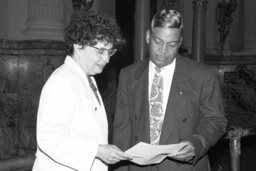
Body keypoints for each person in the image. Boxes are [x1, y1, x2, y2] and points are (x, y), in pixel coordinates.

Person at [112, 9, 227, 171]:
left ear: (179, 43)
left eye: (171, 44)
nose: (163, 50)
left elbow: (216, 120)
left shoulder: (203, 75)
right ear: (147, 37)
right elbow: (122, 130)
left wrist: (197, 143)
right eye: (158, 41)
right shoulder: (128, 75)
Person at [32, 9, 132, 171]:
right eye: (100, 51)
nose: (106, 59)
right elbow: (49, 138)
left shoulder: (86, 77)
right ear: (78, 46)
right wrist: (97, 151)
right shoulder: (62, 81)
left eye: (110, 52)